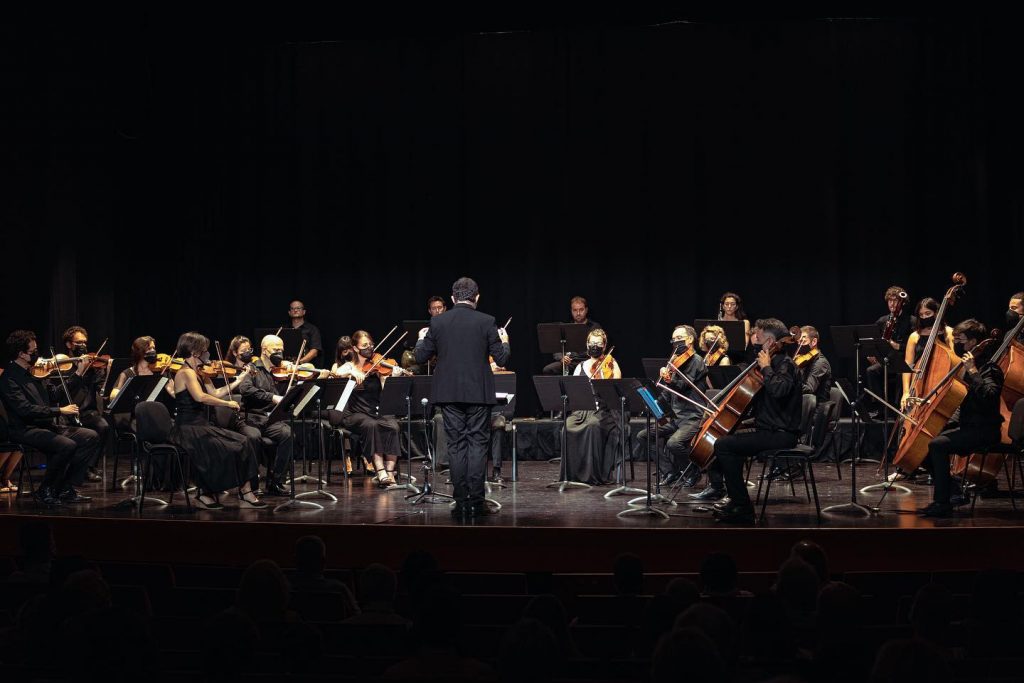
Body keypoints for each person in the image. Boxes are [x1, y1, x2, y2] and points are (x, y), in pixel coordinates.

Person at [415, 276, 510, 518]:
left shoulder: (438, 322)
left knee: (456, 446)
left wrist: (420, 337)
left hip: (449, 393)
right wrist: (505, 342)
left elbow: (419, 357)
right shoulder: (487, 321)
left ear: (452, 298)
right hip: (478, 393)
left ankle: (460, 500)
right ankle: (477, 501)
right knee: (477, 445)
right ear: (476, 297)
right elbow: (501, 359)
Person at [709, 318, 803, 524]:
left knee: (724, 446)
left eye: (758, 339)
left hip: (782, 435)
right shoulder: (769, 364)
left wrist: (766, 367)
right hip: (768, 431)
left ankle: (742, 506)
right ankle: (735, 500)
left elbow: (779, 391)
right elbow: (765, 407)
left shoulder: (785, 365)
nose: (755, 343)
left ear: (770, 342)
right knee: (727, 441)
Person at [0, 330, 99, 506]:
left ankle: (64, 487)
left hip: (45, 425)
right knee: (66, 445)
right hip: (24, 429)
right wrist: (59, 411)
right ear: (21, 354)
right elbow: (25, 410)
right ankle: (45, 489)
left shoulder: (36, 372)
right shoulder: (9, 378)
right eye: (33, 352)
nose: (37, 355)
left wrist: (78, 374)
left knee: (90, 436)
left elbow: (55, 395)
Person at [168, 331, 265, 509]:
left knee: (243, 441)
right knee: (225, 447)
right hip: (188, 428)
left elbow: (216, 393)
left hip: (202, 426)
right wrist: (227, 404)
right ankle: (206, 494)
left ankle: (246, 491)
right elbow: (200, 397)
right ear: (195, 351)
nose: (207, 353)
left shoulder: (200, 372)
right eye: (204, 350)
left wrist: (239, 379)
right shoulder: (185, 373)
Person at [918, 319, 1004, 517]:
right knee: (923, 444)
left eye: (961, 340)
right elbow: (962, 402)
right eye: (955, 339)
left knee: (938, 445)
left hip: (985, 431)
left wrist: (973, 372)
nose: (957, 343)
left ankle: (942, 502)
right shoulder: (964, 369)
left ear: (973, 342)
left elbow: (989, 396)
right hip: (968, 427)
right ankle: (953, 488)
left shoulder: (990, 369)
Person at [633, 325, 712, 489]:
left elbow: (683, 386)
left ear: (690, 339)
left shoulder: (697, 361)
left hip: (692, 417)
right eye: (674, 339)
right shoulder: (675, 362)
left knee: (673, 443)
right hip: (676, 417)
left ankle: (694, 471)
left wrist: (670, 380)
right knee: (643, 435)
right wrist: (654, 402)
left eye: (679, 338)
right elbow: (668, 394)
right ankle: (670, 471)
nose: (676, 342)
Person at [335, 330, 409, 488]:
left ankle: (390, 472)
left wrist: (392, 377)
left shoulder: (378, 364)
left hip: (376, 410)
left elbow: (385, 389)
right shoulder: (349, 365)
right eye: (365, 345)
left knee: (393, 426)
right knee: (372, 426)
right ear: (355, 348)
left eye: (371, 344)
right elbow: (335, 372)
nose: (369, 348)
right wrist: (352, 371)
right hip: (355, 413)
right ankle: (380, 471)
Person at [236, 335, 297, 497]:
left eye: (281, 350)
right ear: (264, 350)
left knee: (287, 433)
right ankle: (251, 484)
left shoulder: (278, 371)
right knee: (253, 437)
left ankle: (276, 481)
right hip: (250, 418)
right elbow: (246, 389)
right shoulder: (252, 368)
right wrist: (271, 397)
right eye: (276, 350)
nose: (280, 353)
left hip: (269, 419)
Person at [563, 329, 621, 485]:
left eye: (598, 343)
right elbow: (574, 391)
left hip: (604, 410)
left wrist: (602, 379)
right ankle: (573, 474)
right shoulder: (580, 366)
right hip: (582, 409)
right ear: (587, 345)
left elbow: (615, 393)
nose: (594, 346)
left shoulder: (611, 363)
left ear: (604, 345)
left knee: (593, 425)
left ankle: (591, 475)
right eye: (592, 343)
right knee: (567, 426)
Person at [60, 326, 109, 483]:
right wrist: (78, 373)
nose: (83, 345)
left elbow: (100, 386)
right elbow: (62, 391)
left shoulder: (92, 365)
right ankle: (73, 468)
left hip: (88, 412)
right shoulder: (63, 366)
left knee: (103, 426)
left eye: (84, 342)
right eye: (78, 342)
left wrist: (103, 373)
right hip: (67, 412)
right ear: (69, 344)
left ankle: (89, 467)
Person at [862, 286, 914, 419]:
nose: (892, 303)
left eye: (895, 300)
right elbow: (873, 340)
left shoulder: (911, 321)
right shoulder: (882, 321)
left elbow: (915, 346)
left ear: (902, 302)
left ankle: (897, 409)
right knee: (871, 371)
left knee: (899, 375)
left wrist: (897, 346)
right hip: (887, 360)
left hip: (904, 360)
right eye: (890, 300)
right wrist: (871, 353)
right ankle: (881, 408)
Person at [901, 297, 955, 410]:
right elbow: (907, 366)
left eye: (928, 313)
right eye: (921, 315)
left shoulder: (948, 332)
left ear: (936, 313)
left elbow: (954, 360)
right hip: (918, 384)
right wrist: (906, 392)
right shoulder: (914, 336)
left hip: (940, 383)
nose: (924, 317)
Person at [542, 296, 601, 375]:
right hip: (570, 362)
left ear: (586, 310)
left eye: (581, 310)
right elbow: (557, 347)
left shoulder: (594, 327)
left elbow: (598, 348)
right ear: (571, 311)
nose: (578, 313)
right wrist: (562, 358)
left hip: (587, 361)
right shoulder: (566, 327)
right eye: (575, 310)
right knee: (548, 369)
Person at [286, 300, 323, 365]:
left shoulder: (312, 329)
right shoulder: (284, 329)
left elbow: (314, 351)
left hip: (305, 367)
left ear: (304, 312)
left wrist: (299, 362)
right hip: (286, 366)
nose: (295, 310)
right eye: (292, 308)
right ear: (289, 312)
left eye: (298, 308)